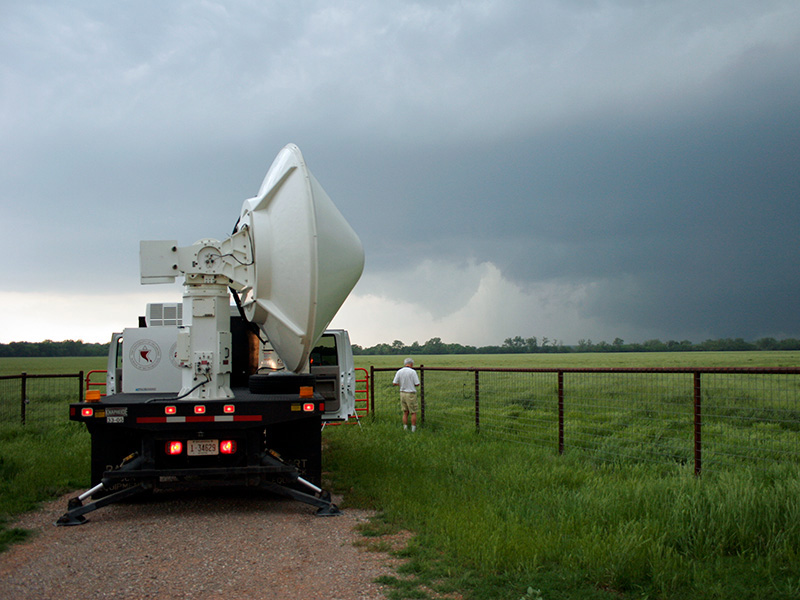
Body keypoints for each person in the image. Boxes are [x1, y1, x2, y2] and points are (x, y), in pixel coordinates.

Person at [393, 357, 420, 432]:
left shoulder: (399, 371)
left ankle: (405, 428)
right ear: (411, 364)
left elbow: (394, 383)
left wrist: (401, 385)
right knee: (413, 412)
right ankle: (413, 429)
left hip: (402, 393)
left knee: (405, 412)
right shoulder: (412, 372)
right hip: (410, 393)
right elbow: (417, 384)